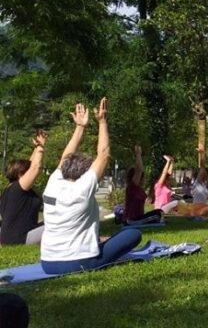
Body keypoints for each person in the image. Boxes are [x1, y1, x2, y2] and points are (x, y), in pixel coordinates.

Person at [40, 99, 142, 275]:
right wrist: (102, 122)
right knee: (133, 234)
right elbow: (103, 155)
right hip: (80, 263)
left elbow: (66, 157)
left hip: (47, 263)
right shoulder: (82, 189)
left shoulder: (53, 183)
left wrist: (80, 127)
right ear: (84, 174)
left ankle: (96, 242)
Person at [0, 130, 47, 246]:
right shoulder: (18, 188)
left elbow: (30, 164)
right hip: (20, 238)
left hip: (14, 236)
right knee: (64, 224)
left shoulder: (12, 188)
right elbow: (35, 167)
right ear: (21, 175)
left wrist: (36, 148)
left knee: (59, 220)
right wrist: (41, 146)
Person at [173, 151, 208, 218]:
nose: (206, 175)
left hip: (203, 207)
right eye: (204, 174)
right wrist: (201, 154)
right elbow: (202, 168)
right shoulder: (197, 183)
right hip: (198, 208)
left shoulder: (203, 185)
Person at [122, 145, 163, 225]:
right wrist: (138, 154)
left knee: (159, 212)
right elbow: (139, 170)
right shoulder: (132, 186)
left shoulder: (138, 188)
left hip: (139, 217)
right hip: (132, 220)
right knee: (158, 215)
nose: (143, 178)